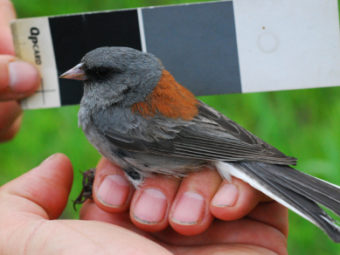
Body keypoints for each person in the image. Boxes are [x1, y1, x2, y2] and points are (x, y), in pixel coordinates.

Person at [0, 0, 288, 254]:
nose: (79, 72)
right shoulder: (146, 95)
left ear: (125, 84)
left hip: (200, 147)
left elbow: (189, 137)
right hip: (210, 138)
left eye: (97, 74)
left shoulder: (111, 117)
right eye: (84, 66)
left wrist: (251, 153)